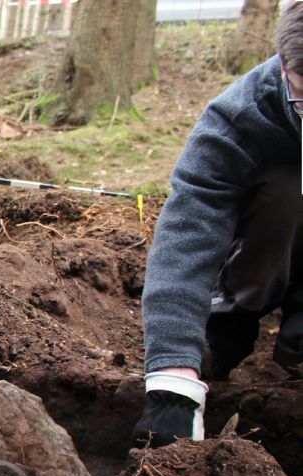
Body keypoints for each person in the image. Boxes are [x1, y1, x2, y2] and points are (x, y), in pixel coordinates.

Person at [132, 1, 303, 448]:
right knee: (290, 182)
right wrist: (173, 379)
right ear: (284, 68)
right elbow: (189, 234)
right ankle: (228, 326)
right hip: (267, 252)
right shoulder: (242, 118)